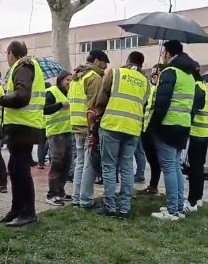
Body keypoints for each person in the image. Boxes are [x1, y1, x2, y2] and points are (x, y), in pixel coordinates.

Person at [148, 40, 201, 221]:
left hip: (168, 125)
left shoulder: (170, 72)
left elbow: (162, 102)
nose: (162, 55)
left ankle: (172, 210)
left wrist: (153, 125)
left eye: (164, 52)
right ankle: (177, 206)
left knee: (169, 166)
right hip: (183, 125)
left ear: (169, 53)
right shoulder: (189, 75)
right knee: (176, 166)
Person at [93, 51, 149, 218]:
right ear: (141, 64)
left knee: (109, 167)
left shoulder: (115, 73)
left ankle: (110, 206)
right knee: (126, 168)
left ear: (127, 60)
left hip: (112, 125)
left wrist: (97, 116)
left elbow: (102, 98)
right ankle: (124, 208)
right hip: (132, 128)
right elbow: (143, 102)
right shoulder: (145, 82)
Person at [0, 41, 45, 227]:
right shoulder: (25, 66)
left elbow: (22, 97)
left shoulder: (23, 67)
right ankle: (17, 209)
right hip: (22, 125)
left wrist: (1, 100)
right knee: (15, 169)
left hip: (24, 126)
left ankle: (28, 212)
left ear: (10, 53)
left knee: (21, 171)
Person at [69, 49, 109, 209]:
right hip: (88, 126)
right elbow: (95, 106)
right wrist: (94, 128)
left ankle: (76, 197)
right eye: (105, 64)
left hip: (76, 124)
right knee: (89, 164)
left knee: (80, 162)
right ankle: (86, 199)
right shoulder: (94, 78)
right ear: (98, 61)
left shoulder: (76, 77)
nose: (105, 68)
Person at [183, 63, 208, 212]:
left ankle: (192, 201)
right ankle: (197, 199)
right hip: (202, 134)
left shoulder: (197, 87)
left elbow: (194, 109)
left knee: (194, 169)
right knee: (198, 168)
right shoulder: (202, 86)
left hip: (196, 134)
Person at [44, 70, 73, 206]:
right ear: (60, 80)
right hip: (56, 133)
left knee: (66, 164)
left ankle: (60, 191)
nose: (70, 82)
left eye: (71, 80)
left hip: (68, 132)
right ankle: (52, 194)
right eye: (67, 80)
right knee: (56, 164)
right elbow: (44, 109)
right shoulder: (52, 91)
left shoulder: (70, 93)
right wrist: (60, 105)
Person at [137, 64, 165, 195]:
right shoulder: (150, 87)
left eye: (157, 73)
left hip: (155, 129)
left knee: (155, 159)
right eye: (152, 73)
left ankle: (154, 186)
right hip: (145, 127)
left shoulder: (162, 88)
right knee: (150, 158)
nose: (153, 75)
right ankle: (152, 186)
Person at [37, 82, 51, 169]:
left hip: (40, 123)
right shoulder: (50, 95)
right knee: (49, 143)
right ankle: (49, 159)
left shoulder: (39, 96)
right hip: (48, 123)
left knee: (41, 144)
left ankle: (40, 162)